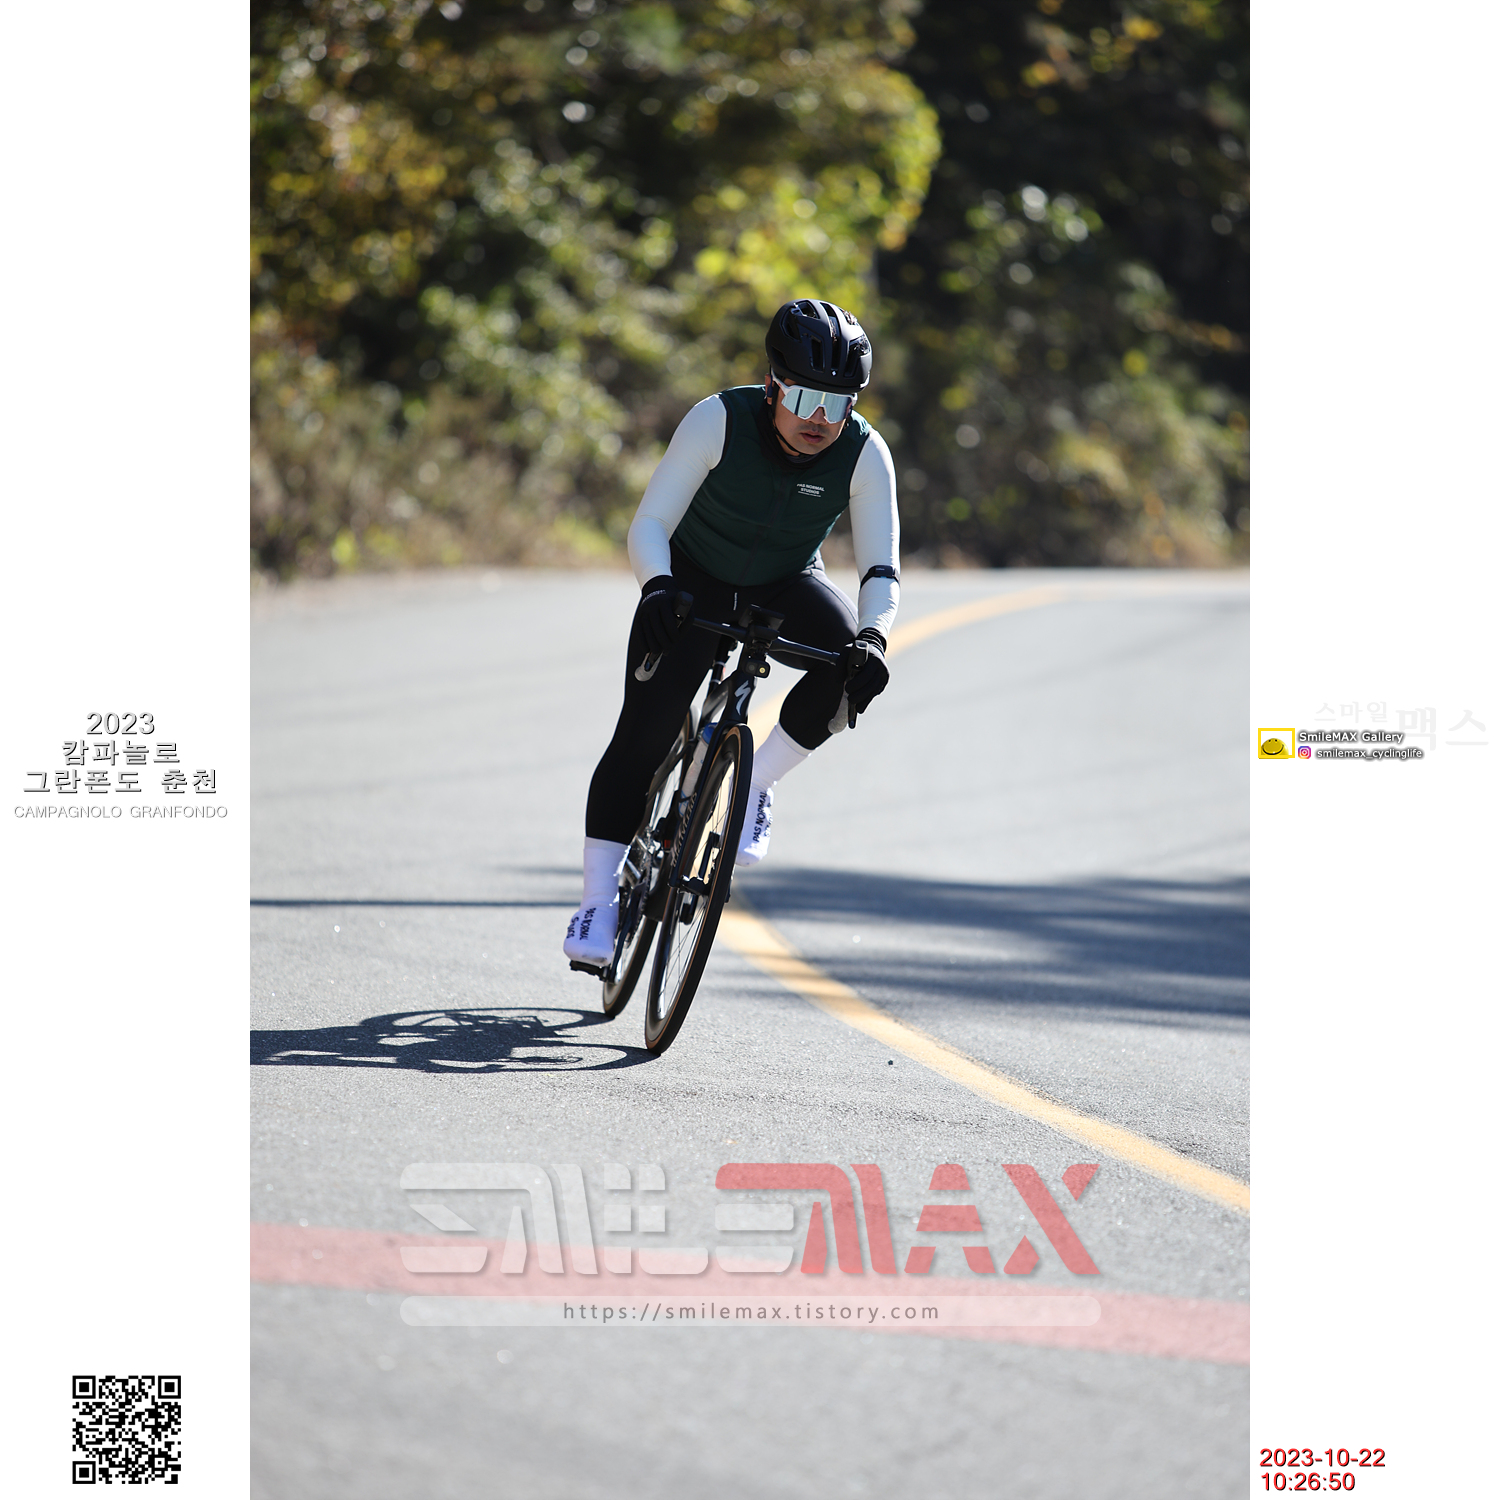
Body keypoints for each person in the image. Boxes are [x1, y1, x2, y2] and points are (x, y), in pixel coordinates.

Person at [564, 297, 901, 966]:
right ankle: (597, 903)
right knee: (644, 735)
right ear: (773, 383)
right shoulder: (718, 419)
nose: (818, 419)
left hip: (785, 581)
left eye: (837, 404)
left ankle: (751, 785)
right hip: (690, 580)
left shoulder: (865, 454)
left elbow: (881, 571)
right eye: (804, 397)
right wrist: (657, 586)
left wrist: (874, 637)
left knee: (850, 671)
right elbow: (650, 524)